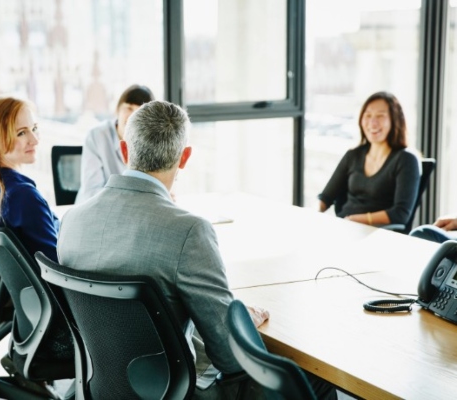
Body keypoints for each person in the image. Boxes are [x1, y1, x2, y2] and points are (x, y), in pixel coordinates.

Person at [57, 100, 336, 399]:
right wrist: (237, 321)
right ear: (185, 157)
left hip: (102, 387)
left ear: (124, 151)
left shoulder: (71, 221)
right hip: (178, 393)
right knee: (313, 381)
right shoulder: (188, 231)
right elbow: (229, 358)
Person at [0, 96, 73, 364]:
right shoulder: (22, 196)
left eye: (34, 129)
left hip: (36, 320)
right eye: (22, 133)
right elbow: (59, 268)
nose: (34, 140)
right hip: (63, 328)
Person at [318, 91, 420, 226]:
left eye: (380, 116)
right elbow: (326, 197)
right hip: (344, 226)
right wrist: (312, 214)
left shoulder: (406, 160)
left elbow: (400, 214)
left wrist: (355, 220)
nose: (373, 122)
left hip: (377, 233)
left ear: (395, 120)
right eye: (368, 115)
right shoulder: (353, 155)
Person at [75, 84, 155, 203]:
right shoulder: (97, 136)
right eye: (128, 108)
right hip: (95, 210)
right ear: (117, 110)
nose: (132, 116)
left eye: (139, 112)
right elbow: (92, 192)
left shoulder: (152, 141)